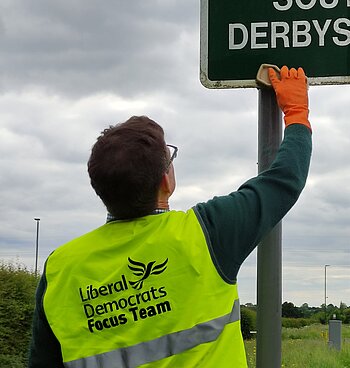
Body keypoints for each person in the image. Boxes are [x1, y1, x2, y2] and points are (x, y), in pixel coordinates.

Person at [28, 66, 312, 367]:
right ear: (166, 181)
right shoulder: (206, 233)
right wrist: (296, 111)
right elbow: (284, 180)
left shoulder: (60, 268)